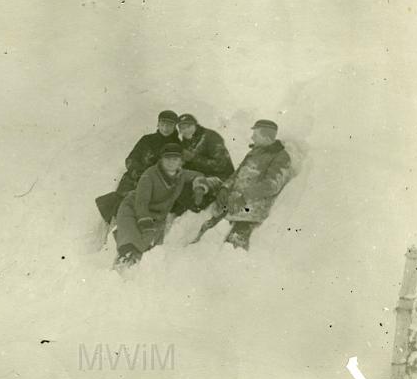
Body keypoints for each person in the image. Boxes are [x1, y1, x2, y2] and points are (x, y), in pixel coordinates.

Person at [114, 143, 220, 268]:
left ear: (181, 161)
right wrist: (146, 226)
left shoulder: (180, 175)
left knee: (149, 251)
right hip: (133, 210)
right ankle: (120, 269)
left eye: (175, 159)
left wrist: (199, 188)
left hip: (157, 216)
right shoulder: (149, 175)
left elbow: (198, 175)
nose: (171, 163)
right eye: (167, 159)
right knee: (131, 246)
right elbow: (141, 203)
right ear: (161, 160)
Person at [211, 119, 292, 250]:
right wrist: (225, 188)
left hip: (252, 206)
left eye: (256, 134)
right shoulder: (255, 151)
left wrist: (245, 198)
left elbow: (271, 185)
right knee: (208, 232)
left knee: (232, 247)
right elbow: (237, 174)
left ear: (266, 137)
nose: (252, 137)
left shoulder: (281, 156)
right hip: (234, 201)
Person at [95, 110, 180, 224]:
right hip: (135, 178)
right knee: (120, 201)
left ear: (175, 127)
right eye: (163, 123)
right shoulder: (147, 140)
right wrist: (137, 172)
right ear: (158, 124)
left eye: (169, 125)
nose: (165, 128)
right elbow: (131, 160)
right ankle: (115, 224)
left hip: (156, 183)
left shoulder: (178, 145)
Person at [171, 113, 235, 216]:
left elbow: (221, 165)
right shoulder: (185, 143)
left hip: (221, 178)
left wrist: (194, 158)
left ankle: (197, 207)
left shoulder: (211, 137)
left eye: (189, 126)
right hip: (199, 178)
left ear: (196, 125)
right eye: (182, 128)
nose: (186, 130)